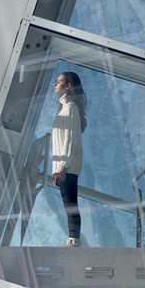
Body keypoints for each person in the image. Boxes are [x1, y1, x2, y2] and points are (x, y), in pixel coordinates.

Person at [51, 71, 88, 246]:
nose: (55, 84)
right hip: (65, 165)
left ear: (68, 86)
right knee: (68, 202)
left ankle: (74, 239)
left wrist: (62, 166)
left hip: (68, 165)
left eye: (58, 81)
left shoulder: (71, 107)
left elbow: (70, 139)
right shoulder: (65, 108)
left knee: (70, 202)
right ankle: (73, 238)